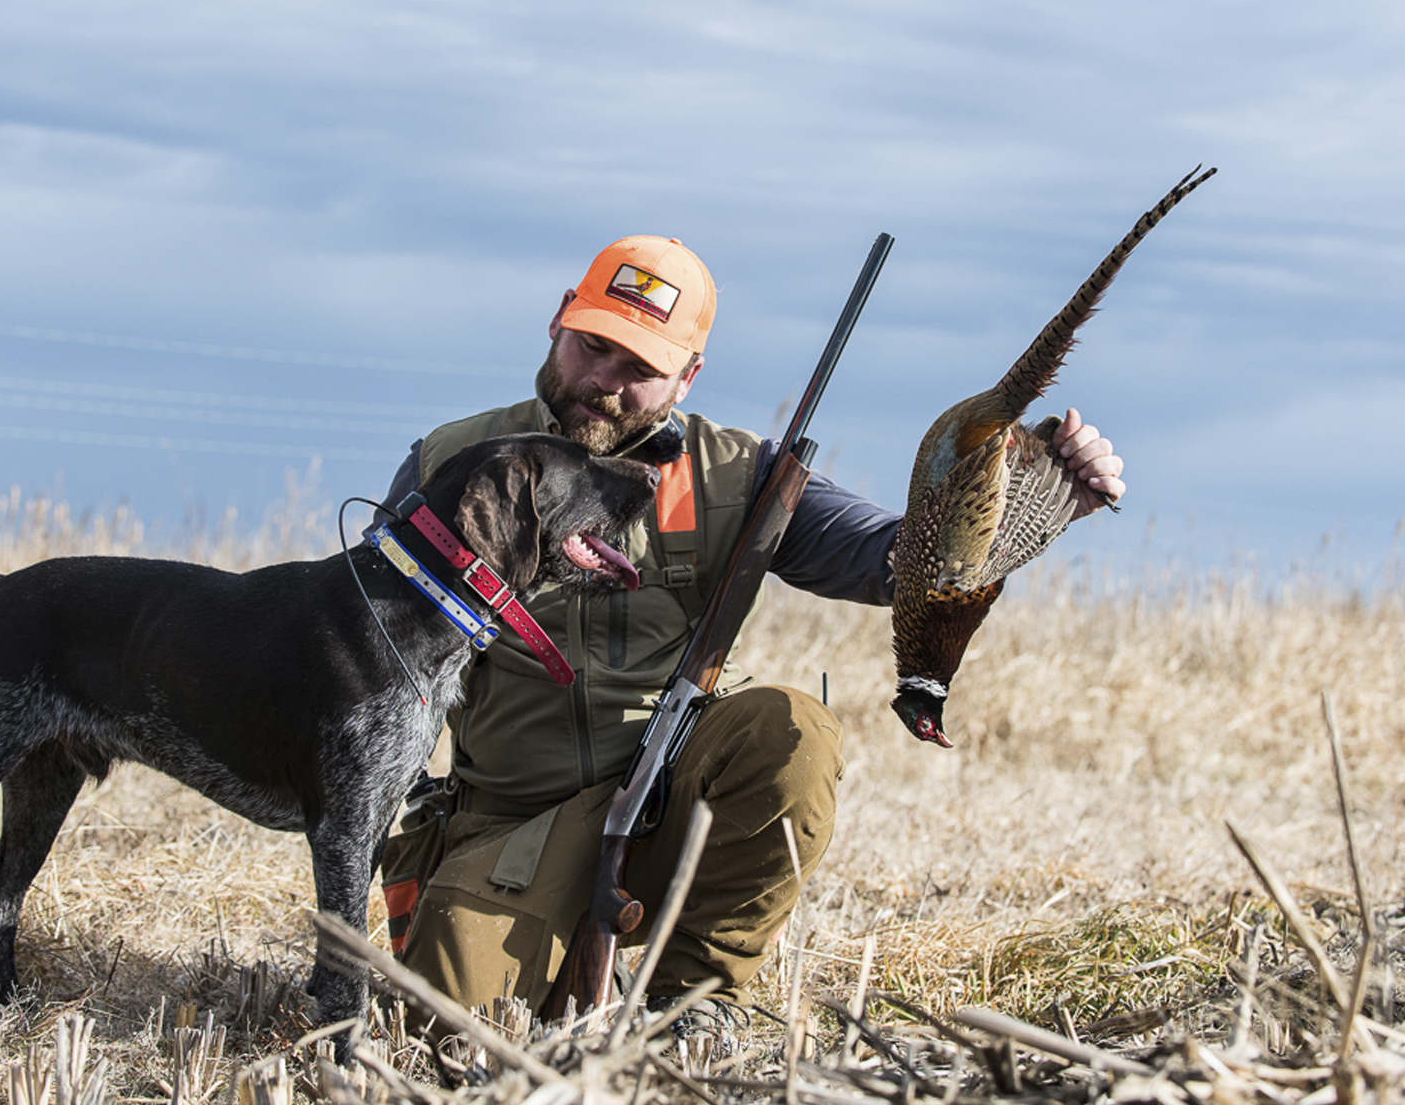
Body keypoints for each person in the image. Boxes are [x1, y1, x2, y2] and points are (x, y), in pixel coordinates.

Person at [374, 235, 1125, 1035]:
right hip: (510, 820)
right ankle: (545, 951)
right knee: (445, 1032)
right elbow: (374, 657)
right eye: (593, 346)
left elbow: (898, 561)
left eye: (640, 368)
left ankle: (691, 1000)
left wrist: (1030, 496)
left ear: (688, 377)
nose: (604, 383)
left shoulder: (740, 474)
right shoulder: (450, 464)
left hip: (669, 804)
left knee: (791, 732)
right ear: (560, 320)